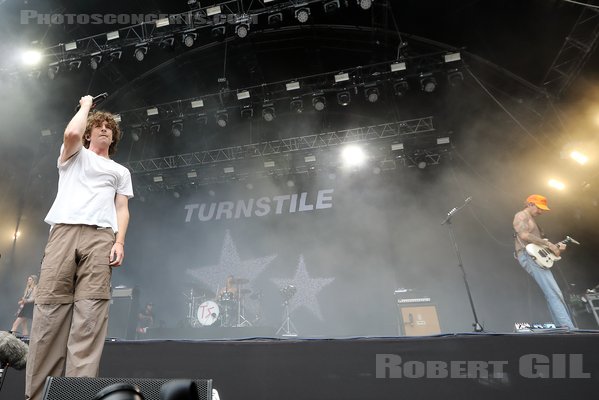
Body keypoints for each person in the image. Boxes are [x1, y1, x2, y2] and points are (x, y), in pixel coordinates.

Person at [25, 96, 134, 400]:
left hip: (101, 237)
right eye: (97, 127)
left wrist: (119, 242)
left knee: (90, 318)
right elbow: (71, 134)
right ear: (88, 132)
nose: (103, 130)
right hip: (64, 231)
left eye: (108, 128)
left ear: (114, 137)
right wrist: (85, 106)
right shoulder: (73, 154)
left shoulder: (120, 171)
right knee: (48, 315)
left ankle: (77, 397)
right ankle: (38, 396)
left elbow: (122, 209)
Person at [513, 194, 575, 329]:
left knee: (552, 293)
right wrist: (549, 245)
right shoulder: (521, 216)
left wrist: (555, 249)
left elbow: (540, 246)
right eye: (539, 208)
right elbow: (524, 235)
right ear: (530, 204)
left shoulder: (533, 221)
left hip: (534, 256)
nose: (541, 212)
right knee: (554, 292)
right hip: (528, 256)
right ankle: (568, 328)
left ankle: (562, 327)